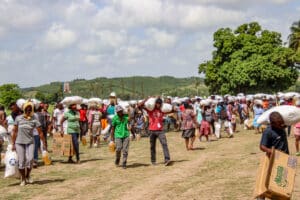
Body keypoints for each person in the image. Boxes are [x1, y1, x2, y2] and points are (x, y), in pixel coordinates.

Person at [11, 101, 47, 186]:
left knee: (31, 159)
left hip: (30, 141)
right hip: (19, 142)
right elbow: (15, 131)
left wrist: (44, 142)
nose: (28, 111)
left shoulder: (34, 119)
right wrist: (13, 144)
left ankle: (27, 175)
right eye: (27, 109)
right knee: (22, 161)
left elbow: (40, 132)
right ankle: (23, 179)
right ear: (24, 109)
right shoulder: (18, 118)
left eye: (30, 109)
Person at [139, 97, 172, 166]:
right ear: (155, 103)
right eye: (157, 103)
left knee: (164, 144)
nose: (158, 105)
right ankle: (153, 161)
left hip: (160, 131)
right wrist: (146, 99)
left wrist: (175, 109)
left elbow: (171, 110)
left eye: (159, 104)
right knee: (152, 146)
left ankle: (167, 159)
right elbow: (139, 106)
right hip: (152, 130)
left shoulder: (162, 110)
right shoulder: (150, 110)